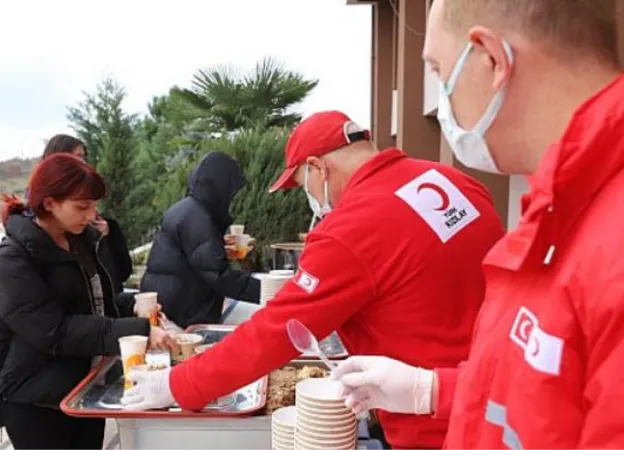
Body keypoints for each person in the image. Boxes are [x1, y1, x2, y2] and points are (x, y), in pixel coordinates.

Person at [331, 1, 624, 449]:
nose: (443, 96)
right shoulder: (560, 209)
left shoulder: (605, 238)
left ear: (490, 59)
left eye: (438, 71)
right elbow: (543, 391)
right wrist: (432, 390)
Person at [122, 111, 505, 449]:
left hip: (433, 426)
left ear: (318, 168)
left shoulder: (352, 226)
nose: (310, 198)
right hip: (498, 395)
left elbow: (275, 333)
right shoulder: (452, 181)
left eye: (302, 182)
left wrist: (176, 384)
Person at [0, 154, 176, 450]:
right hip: (36, 398)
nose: (91, 215)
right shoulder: (13, 258)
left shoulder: (80, 241)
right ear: (49, 203)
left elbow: (95, 304)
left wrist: (132, 306)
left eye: (93, 205)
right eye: (82, 206)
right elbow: (53, 330)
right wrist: (137, 329)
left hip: (84, 387)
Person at [140, 152, 261, 328]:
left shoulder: (188, 209)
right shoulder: (198, 219)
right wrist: (270, 291)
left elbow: (193, 258)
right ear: (220, 186)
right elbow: (219, 276)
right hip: (182, 310)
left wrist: (219, 248)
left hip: (170, 300)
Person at [42, 134, 134, 293]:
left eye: (83, 158)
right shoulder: (26, 245)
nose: (82, 164)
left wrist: (105, 238)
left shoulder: (94, 225)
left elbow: (117, 277)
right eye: (82, 206)